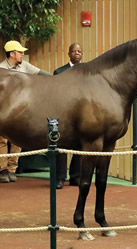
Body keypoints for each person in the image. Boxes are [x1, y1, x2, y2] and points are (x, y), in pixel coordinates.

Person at [0, 40, 51, 183]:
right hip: (3, 111)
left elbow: (41, 73)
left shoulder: (25, 66)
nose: (22, 54)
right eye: (20, 52)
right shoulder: (0, 69)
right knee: (2, 139)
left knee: (17, 140)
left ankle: (12, 169)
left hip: (21, 110)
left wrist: (56, 77)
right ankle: (3, 170)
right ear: (12, 54)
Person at [53, 42, 83, 189]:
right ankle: (59, 178)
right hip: (63, 114)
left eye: (79, 51)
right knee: (61, 146)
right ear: (69, 54)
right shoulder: (59, 72)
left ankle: (75, 177)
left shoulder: (87, 72)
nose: (77, 53)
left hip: (81, 114)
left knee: (80, 146)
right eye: (74, 51)